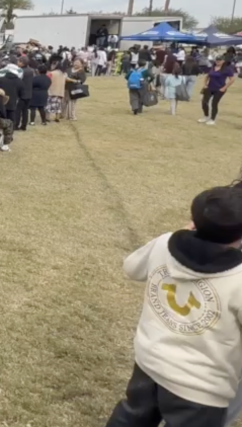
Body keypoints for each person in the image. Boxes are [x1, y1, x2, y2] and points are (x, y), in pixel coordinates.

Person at [104, 186, 242, 427]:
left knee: (131, 418)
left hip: (150, 361)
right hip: (201, 388)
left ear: (193, 221)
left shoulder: (164, 243)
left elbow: (131, 267)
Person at [199, 58, 235, 126]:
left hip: (219, 88)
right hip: (210, 87)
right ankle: (206, 116)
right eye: (217, 60)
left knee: (214, 103)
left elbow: (232, 79)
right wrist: (205, 84)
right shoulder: (212, 68)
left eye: (220, 60)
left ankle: (212, 119)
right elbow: (207, 76)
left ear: (223, 61)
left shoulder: (227, 69)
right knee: (204, 102)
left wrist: (224, 87)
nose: (218, 61)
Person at [16, 58, 35, 132]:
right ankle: (24, 125)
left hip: (21, 93)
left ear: (22, 63)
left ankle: (16, 124)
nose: (17, 62)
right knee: (25, 111)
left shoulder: (21, 71)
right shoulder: (31, 70)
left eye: (19, 61)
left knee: (18, 110)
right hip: (29, 93)